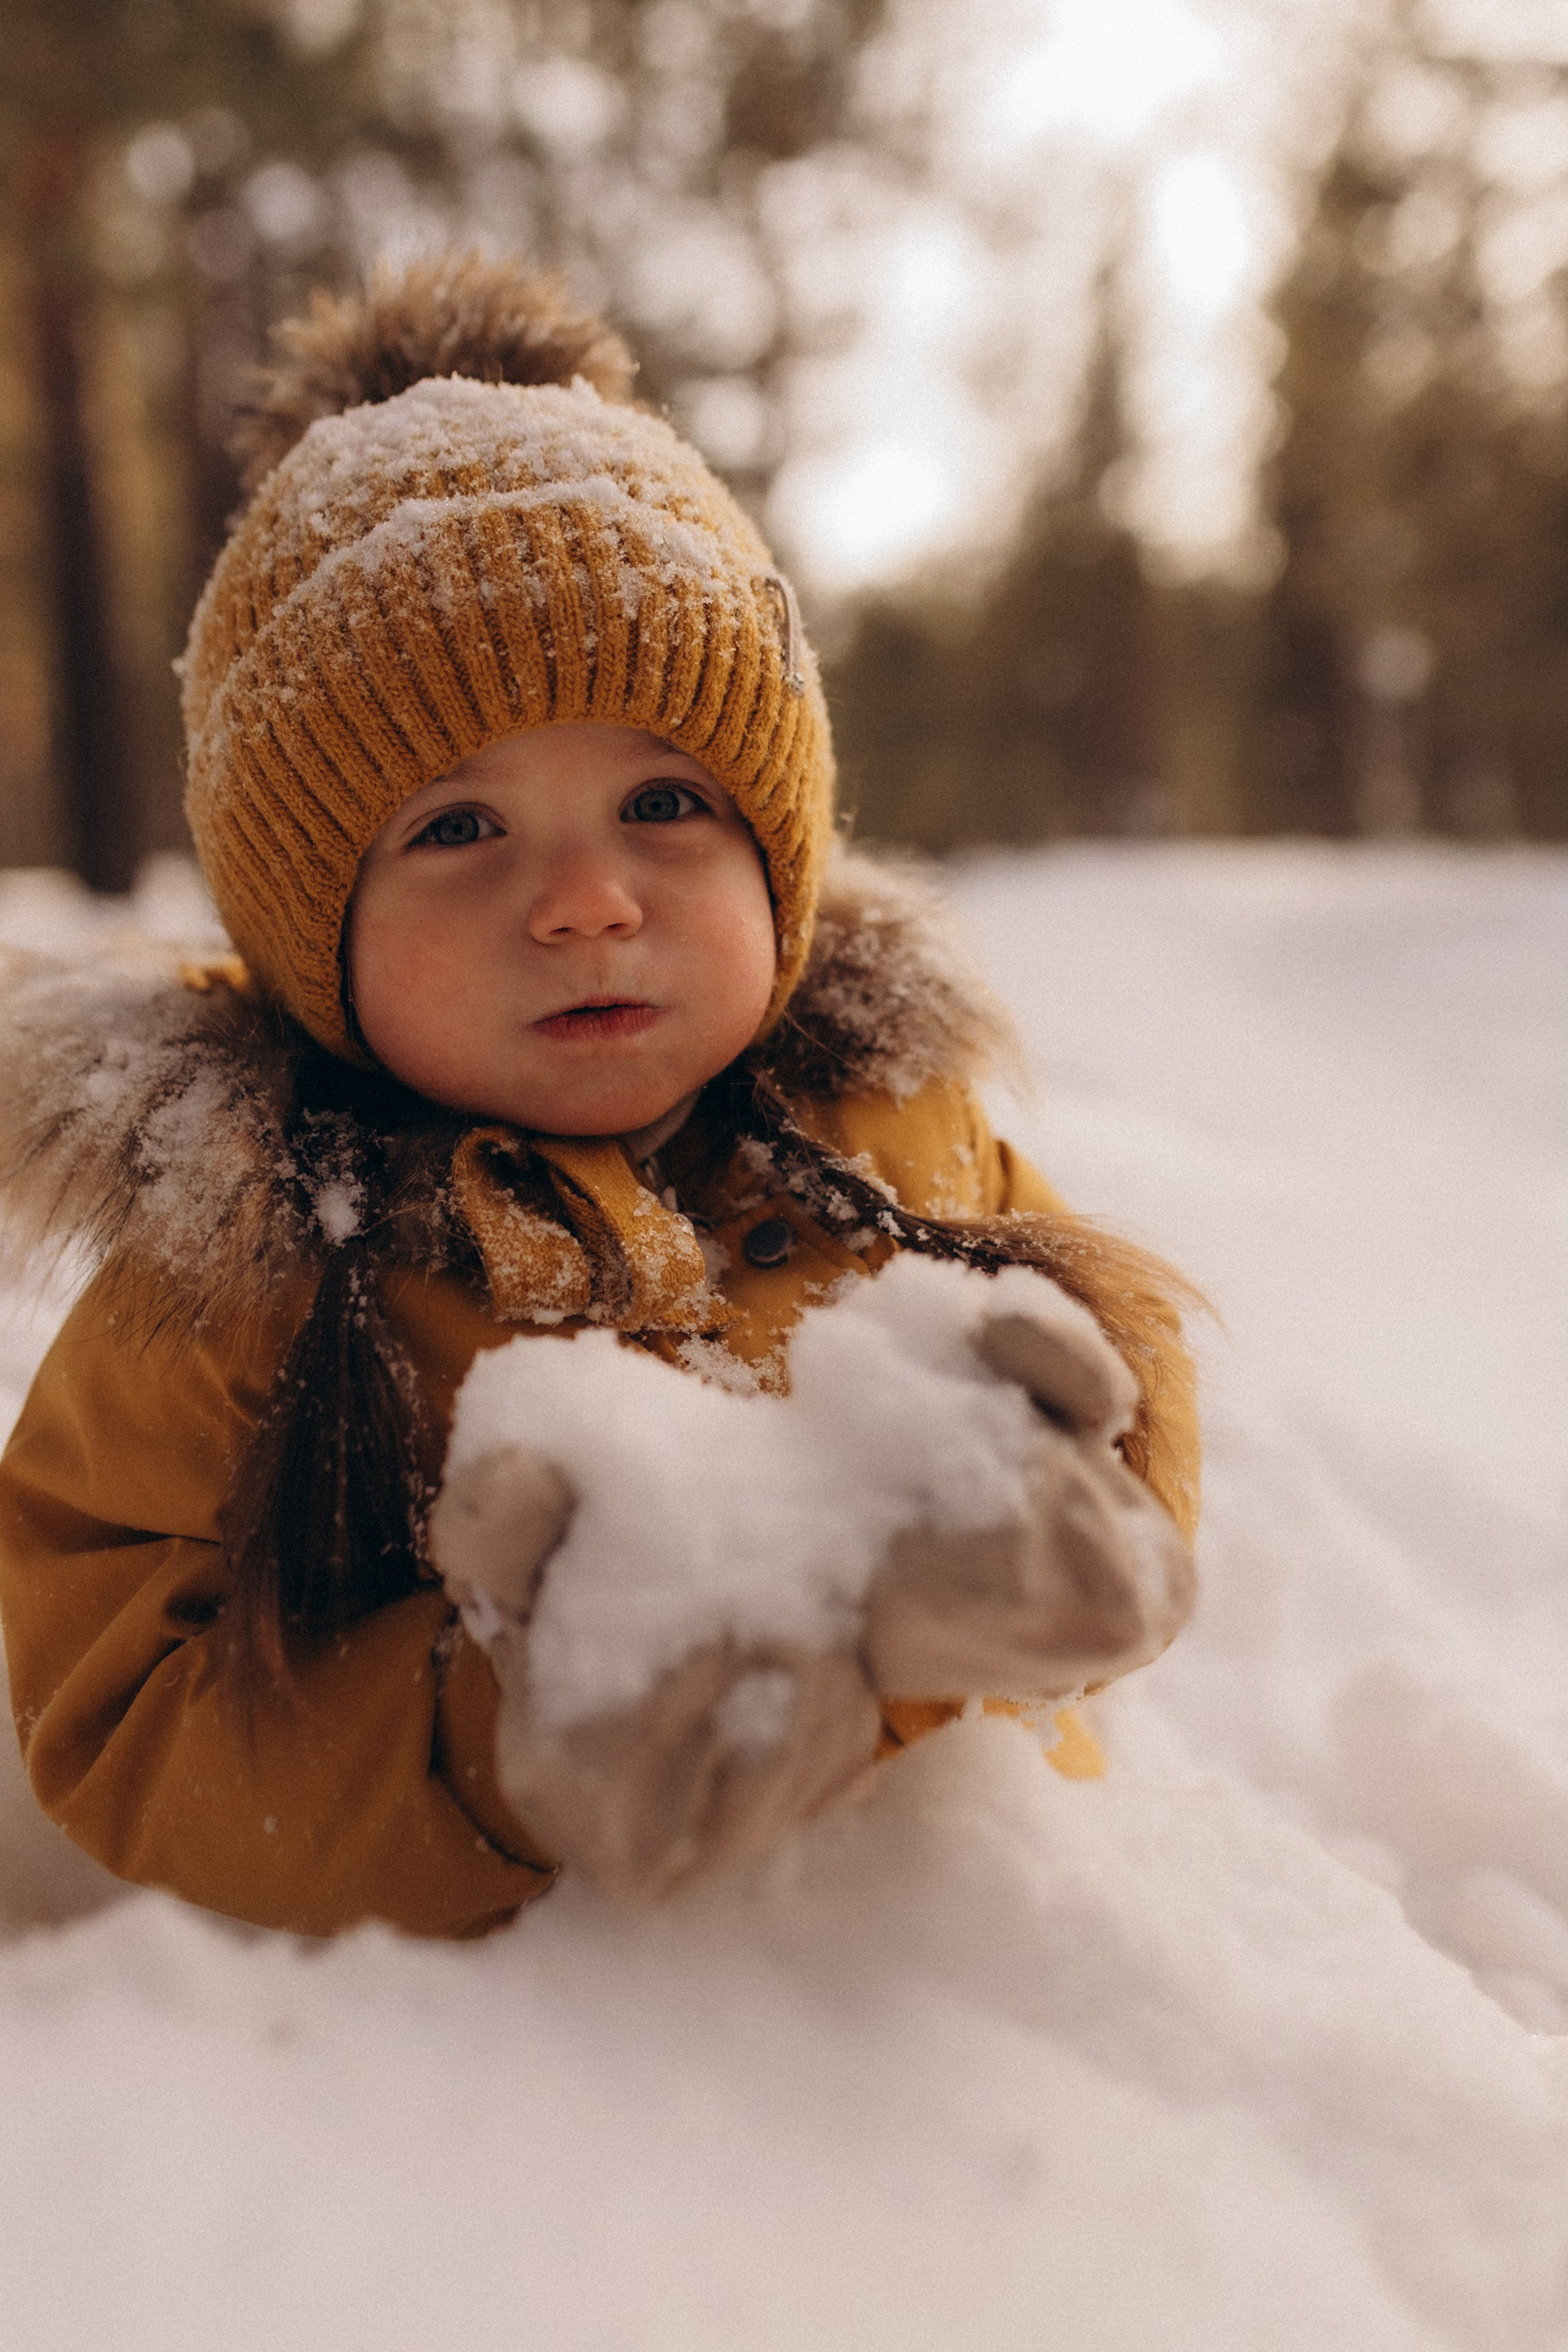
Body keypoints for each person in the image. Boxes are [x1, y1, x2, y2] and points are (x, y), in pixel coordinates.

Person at [0, 253, 1199, 1938]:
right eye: (460, 830)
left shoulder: (885, 1131)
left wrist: (1047, 1521)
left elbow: (1118, 1377)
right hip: (531, 2091)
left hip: (938, 1994)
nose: (585, 901)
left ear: (781, 850)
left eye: (660, 799)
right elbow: (121, 1701)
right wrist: (509, 1746)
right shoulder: (239, 1264)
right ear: (306, 929)